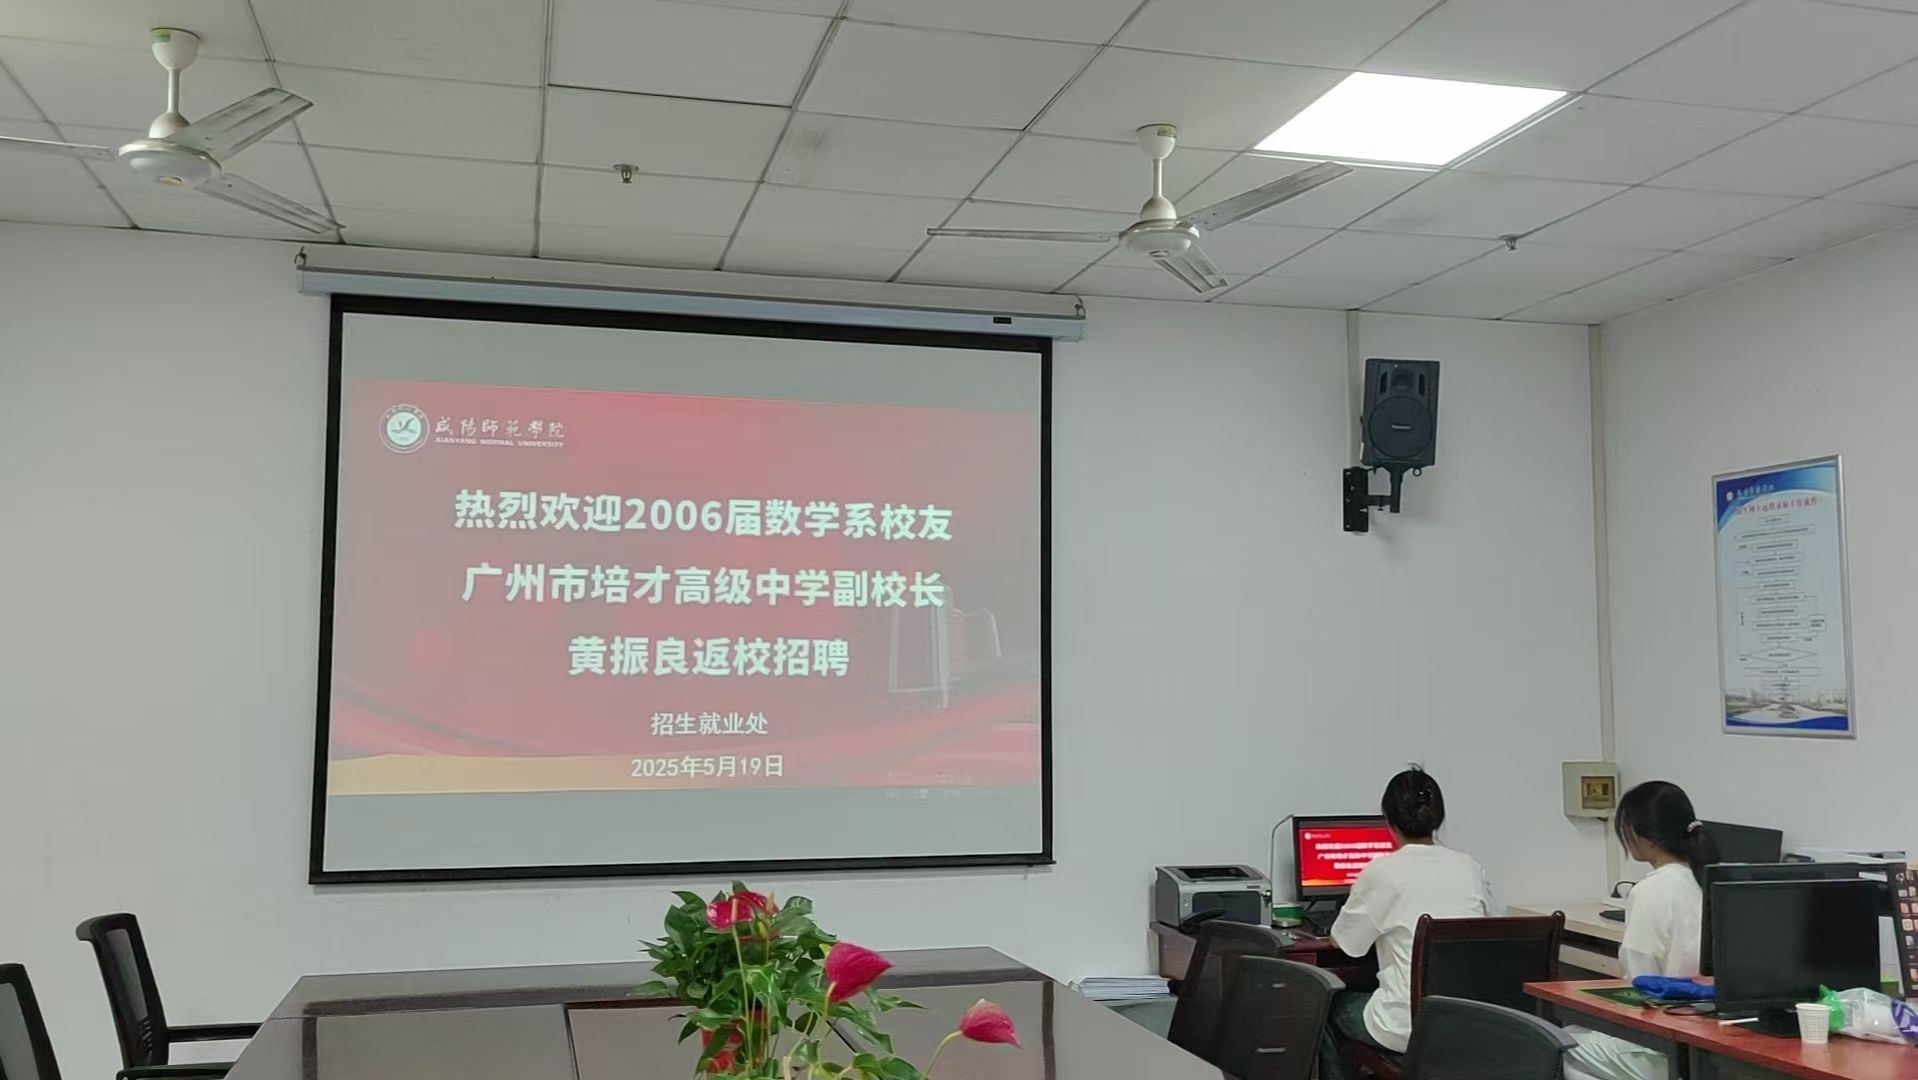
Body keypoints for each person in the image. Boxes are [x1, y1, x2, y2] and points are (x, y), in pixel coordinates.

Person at [1317, 768, 1495, 1080]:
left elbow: (1344, 944)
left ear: (1389, 820)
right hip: (1467, 1024)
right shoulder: (1470, 868)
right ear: (1438, 818)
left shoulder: (1383, 872)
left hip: (1407, 1027)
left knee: (1323, 1006)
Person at [1566, 780, 1720, 1080]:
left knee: (1556, 1043)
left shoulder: (1651, 890)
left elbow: (1640, 981)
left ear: (1640, 833)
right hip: (1707, 1044)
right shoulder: (1708, 880)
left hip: (1662, 1046)